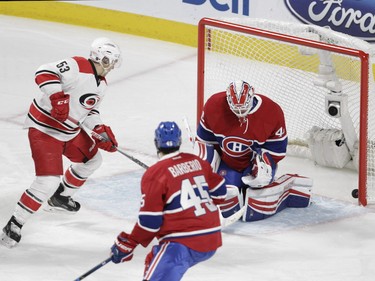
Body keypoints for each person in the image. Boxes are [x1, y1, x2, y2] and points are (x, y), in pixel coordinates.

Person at [1, 37, 121, 248]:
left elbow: (89, 109)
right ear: (98, 57)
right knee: (47, 181)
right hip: (45, 130)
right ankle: (14, 223)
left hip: (69, 132)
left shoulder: (101, 84)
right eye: (109, 61)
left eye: (114, 62)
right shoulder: (77, 65)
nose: (111, 66)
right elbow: (43, 72)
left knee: (92, 160)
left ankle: (61, 197)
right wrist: (57, 96)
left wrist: (99, 130)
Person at [110, 121, 227, 281]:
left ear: (156, 143)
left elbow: (150, 222)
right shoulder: (197, 161)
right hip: (212, 238)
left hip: (182, 244)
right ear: (179, 141)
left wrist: (130, 243)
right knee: (153, 259)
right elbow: (220, 193)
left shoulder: (155, 174)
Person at [195, 80, 312, 221]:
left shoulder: (272, 111)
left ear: (252, 96)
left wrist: (262, 165)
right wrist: (208, 172)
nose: (240, 114)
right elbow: (205, 142)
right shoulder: (213, 106)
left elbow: (277, 150)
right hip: (228, 163)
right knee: (227, 193)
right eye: (236, 110)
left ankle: (282, 187)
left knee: (257, 192)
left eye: (243, 109)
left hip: (253, 163)